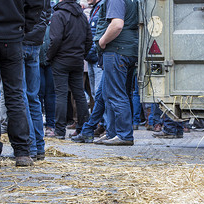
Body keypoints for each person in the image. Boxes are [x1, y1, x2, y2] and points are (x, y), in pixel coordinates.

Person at [0, 0, 43, 168]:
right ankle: (22, 153)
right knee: (15, 95)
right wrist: (22, 27)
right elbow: (36, 4)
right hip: (12, 36)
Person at [95, 0, 139, 146]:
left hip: (117, 50)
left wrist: (102, 41)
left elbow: (117, 24)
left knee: (115, 93)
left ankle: (124, 135)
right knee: (115, 93)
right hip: (128, 49)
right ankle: (113, 133)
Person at [47, 0, 92, 139]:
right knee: (79, 94)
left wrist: (49, 57)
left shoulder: (58, 14)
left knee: (60, 94)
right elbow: (89, 39)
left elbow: (55, 40)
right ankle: (83, 129)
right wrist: (81, 54)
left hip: (61, 59)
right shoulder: (82, 15)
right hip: (77, 60)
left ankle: (60, 130)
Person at [22, 0, 52, 161]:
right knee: (32, 97)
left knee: (22, 97)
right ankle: (38, 147)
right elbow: (46, 12)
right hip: (36, 39)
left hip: (24, 38)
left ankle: (31, 147)